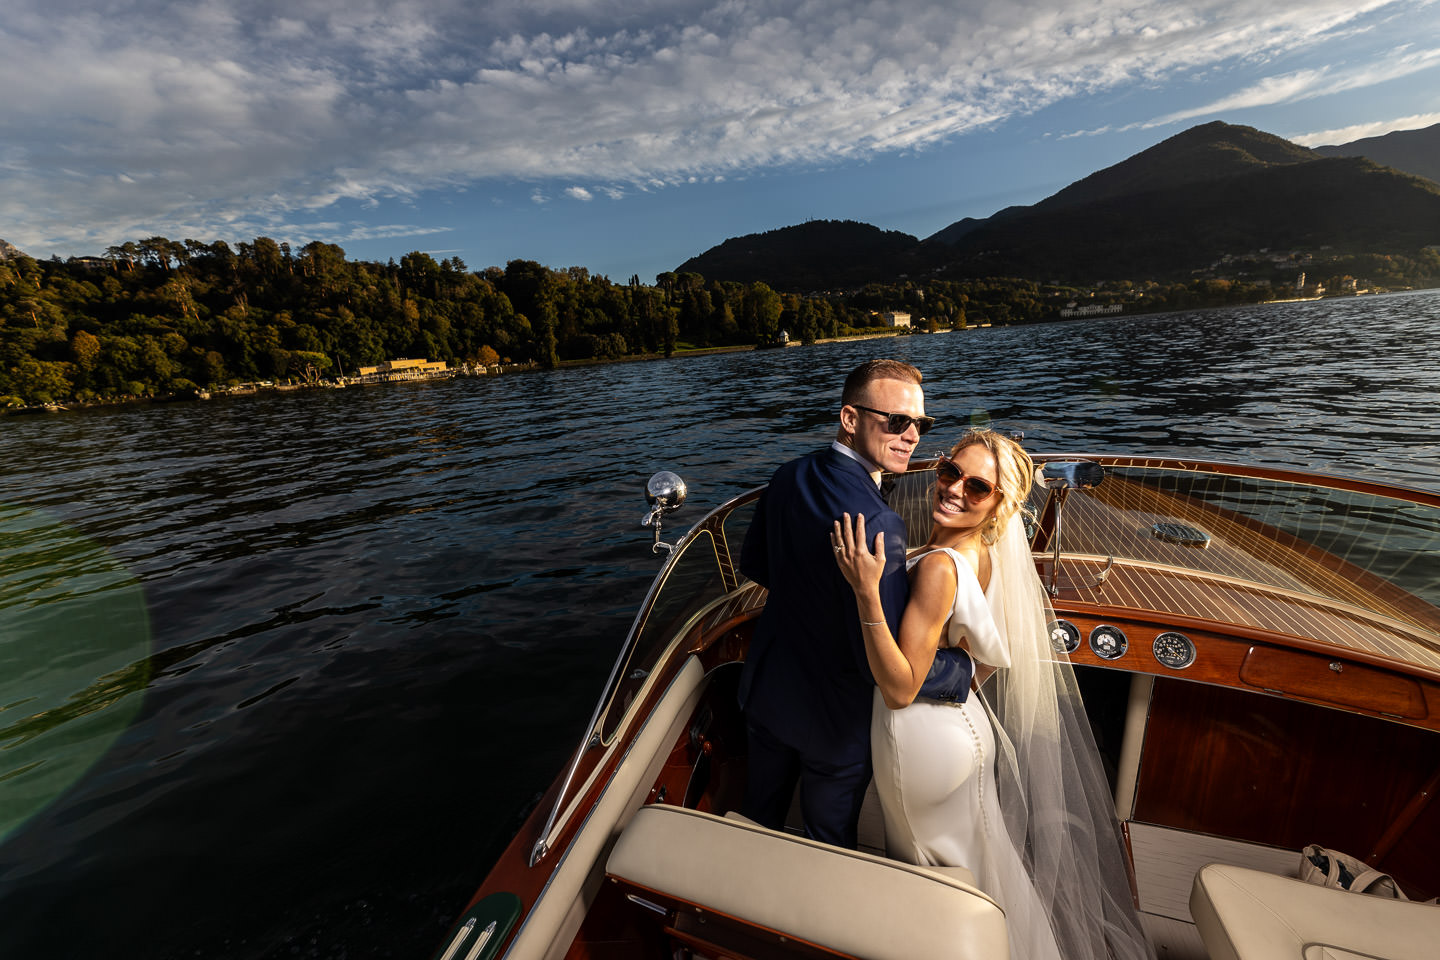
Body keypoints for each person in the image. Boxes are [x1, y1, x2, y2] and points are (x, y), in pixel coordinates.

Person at [832, 428, 1150, 960]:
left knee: (934, 884)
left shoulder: (937, 566)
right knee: (983, 869)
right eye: (949, 471)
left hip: (922, 742)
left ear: (1000, 504)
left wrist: (866, 593)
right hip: (964, 729)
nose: (954, 489)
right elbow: (979, 659)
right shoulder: (980, 553)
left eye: (977, 487)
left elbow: (899, 688)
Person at [737, 359, 975, 849]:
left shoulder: (785, 476)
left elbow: (757, 567)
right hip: (832, 722)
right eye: (897, 422)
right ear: (850, 419)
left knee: (755, 822)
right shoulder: (878, 522)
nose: (912, 436)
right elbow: (886, 666)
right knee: (828, 845)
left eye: (920, 424)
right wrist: (961, 669)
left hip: (766, 692)